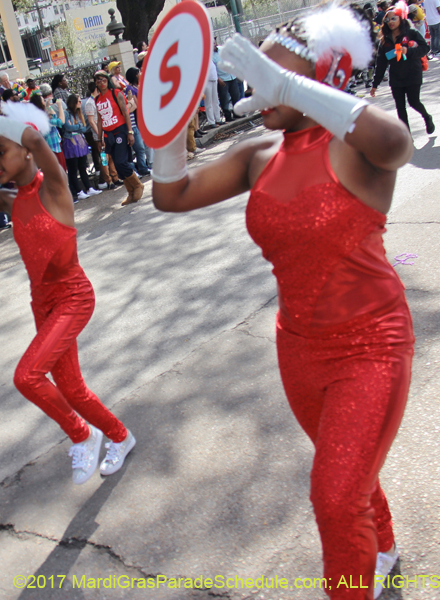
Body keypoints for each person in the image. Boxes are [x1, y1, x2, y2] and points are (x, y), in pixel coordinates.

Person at [152, 5, 415, 598]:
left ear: (322, 76)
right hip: (297, 348)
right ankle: (385, 549)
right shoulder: (260, 155)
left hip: (371, 346)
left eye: (275, 73)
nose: (257, 85)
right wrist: (164, 126)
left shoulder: (361, 148)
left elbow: (397, 141)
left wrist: (294, 91)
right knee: (346, 469)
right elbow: (172, 196)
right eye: (256, 73)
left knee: (333, 496)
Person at [0, 102, 135, 484]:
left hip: (73, 297)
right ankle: (120, 436)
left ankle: (82, 435)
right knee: (72, 388)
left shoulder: (55, 186)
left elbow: (33, 135)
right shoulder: (6, 199)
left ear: (25, 150)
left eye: (1, 151)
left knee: (27, 376)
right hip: (42, 304)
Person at [371, 3, 435, 135]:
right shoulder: (384, 40)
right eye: (388, 19)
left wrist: (408, 51)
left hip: (413, 73)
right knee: (400, 107)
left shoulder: (411, 33)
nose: (391, 22)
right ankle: (407, 136)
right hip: (396, 77)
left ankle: (427, 117)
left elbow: (425, 48)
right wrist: (375, 84)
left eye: (394, 18)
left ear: (401, 18)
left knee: (414, 102)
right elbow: (381, 63)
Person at [95, 70, 144, 206]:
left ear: (107, 80)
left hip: (120, 131)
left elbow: (125, 112)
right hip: (108, 134)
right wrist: (99, 139)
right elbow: (99, 120)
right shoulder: (97, 99)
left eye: (103, 79)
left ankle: (138, 185)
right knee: (116, 164)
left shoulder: (116, 93)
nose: (101, 82)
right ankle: (130, 192)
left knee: (122, 161)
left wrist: (130, 132)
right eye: (98, 80)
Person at [63, 94, 102, 202]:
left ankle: (88, 188)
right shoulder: (67, 113)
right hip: (71, 142)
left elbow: (84, 128)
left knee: (82, 166)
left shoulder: (78, 113)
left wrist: (76, 127)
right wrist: (78, 127)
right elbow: (68, 127)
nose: (80, 103)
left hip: (79, 140)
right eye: (79, 101)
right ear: (74, 102)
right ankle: (77, 191)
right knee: (73, 168)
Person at [83, 82, 112, 189]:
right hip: (98, 136)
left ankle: (114, 177)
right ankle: (106, 180)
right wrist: (100, 136)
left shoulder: (99, 99)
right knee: (104, 157)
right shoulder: (90, 102)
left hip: (106, 132)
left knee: (110, 157)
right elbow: (91, 121)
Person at [123, 67, 151, 177]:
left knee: (141, 148)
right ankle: (138, 169)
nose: (140, 74)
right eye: (138, 72)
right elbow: (135, 105)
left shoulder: (136, 87)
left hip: (138, 121)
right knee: (139, 147)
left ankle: (143, 167)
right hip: (135, 122)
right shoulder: (130, 89)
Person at [38, 84, 68, 172]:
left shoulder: (44, 114)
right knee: (59, 172)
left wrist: (48, 106)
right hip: (52, 148)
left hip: (56, 145)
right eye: (43, 100)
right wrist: (59, 106)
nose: (44, 100)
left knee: (63, 169)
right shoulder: (42, 118)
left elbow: (53, 116)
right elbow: (60, 122)